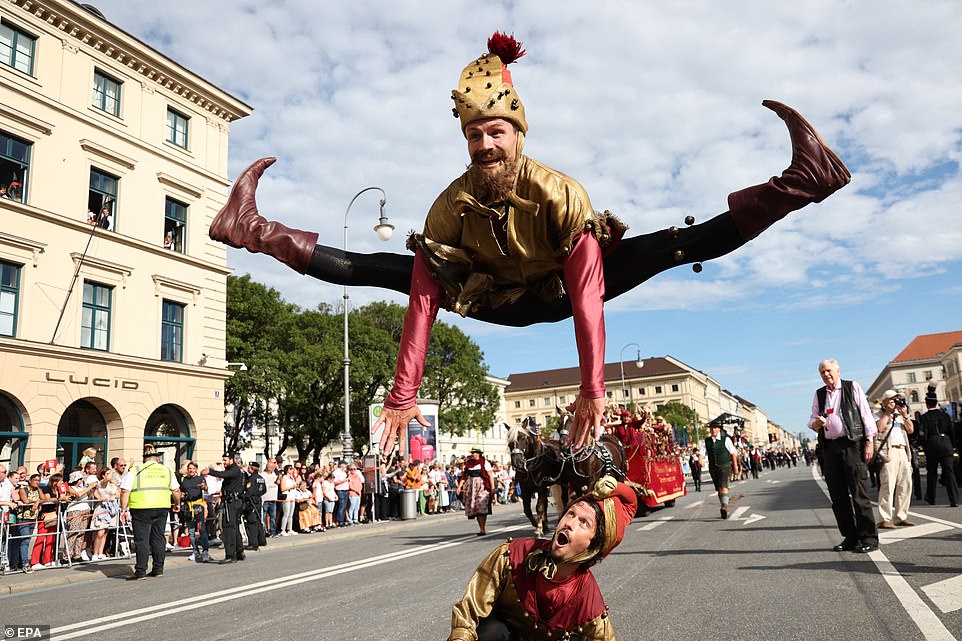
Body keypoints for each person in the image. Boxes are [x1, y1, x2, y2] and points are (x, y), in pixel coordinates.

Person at [208, 33, 851, 456]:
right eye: (473, 138)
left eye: (494, 133)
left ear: (517, 133)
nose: (484, 147)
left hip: (568, 288)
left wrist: (592, 389)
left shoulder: (557, 193)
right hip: (492, 299)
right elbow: (424, 302)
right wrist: (403, 394)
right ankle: (253, 230)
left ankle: (801, 183)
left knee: (673, 245)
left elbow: (588, 296)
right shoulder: (449, 206)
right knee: (382, 268)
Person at [449, 476, 636, 641]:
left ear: (593, 547)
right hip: (505, 636)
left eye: (583, 522)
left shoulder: (587, 598)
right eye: (570, 513)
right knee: (490, 631)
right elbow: (469, 612)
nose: (569, 523)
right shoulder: (511, 555)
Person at [808, 359, 879, 553]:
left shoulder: (851, 387)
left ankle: (869, 538)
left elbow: (865, 415)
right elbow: (812, 421)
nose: (826, 374)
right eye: (822, 372)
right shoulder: (819, 394)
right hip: (830, 448)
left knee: (858, 492)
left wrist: (869, 441)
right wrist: (817, 424)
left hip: (851, 444)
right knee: (838, 496)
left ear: (838, 370)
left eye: (829, 370)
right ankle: (851, 537)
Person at [119, 445, 181, 579]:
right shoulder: (167, 470)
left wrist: (123, 509)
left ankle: (141, 572)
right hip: (161, 508)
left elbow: (125, 491)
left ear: (144, 459)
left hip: (140, 508)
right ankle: (158, 569)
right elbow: (176, 490)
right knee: (158, 538)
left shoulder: (135, 470)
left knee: (142, 540)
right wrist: (177, 503)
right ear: (157, 459)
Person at [874, 390, 916, 528]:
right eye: (892, 399)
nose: (895, 402)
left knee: (905, 484)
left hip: (903, 450)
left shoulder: (899, 416)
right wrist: (887, 413)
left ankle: (901, 516)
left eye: (896, 399)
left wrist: (905, 415)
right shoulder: (878, 415)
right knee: (888, 485)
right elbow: (878, 429)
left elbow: (910, 430)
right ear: (885, 401)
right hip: (888, 452)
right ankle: (884, 518)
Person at [917, 392, 959, 507]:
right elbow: (952, 432)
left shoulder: (924, 417)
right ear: (936, 402)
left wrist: (921, 444)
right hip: (946, 444)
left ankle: (931, 497)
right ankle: (954, 499)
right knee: (950, 473)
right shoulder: (945, 415)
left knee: (932, 473)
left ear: (927, 404)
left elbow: (922, 434)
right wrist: (953, 446)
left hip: (932, 446)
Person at [204, 452, 245, 563]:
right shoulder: (234, 470)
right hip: (232, 501)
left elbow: (224, 475)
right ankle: (239, 551)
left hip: (232, 502)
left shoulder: (234, 469)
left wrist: (210, 471)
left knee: (228, 528)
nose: (224, 462)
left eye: (225, 460)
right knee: (234, 527)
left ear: (231, 460)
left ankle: (231, 555)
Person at [705, 423, 740, 519]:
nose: (713, 430)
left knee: (723, 486)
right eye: (711, 428)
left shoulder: (726, 440)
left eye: (715, 428)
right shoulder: (707, 441)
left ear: (719, 429)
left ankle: (724, 506)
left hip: (724, 466)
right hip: (713, 468)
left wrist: (735, 467)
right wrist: (700, 459)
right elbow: (701, 452)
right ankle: (724, 505)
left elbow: (733, 453)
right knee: (719, 489)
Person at [179, 461, 210, 563]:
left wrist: (203, 487)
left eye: (193, 469)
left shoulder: (200, 479)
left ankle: (205, 552)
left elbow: (206, 489)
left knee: (202, 530)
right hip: (188, 507)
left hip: (199, 506)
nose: (191, 470)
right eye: (189, 469)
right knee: (191, 532)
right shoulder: (184, 480)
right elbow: (181, 491)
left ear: (196, 469)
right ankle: (195, 551)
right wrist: (181, 498)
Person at [460, 449, 495, 535]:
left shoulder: (484, 462)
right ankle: (481, 528)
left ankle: (483, 528)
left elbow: (490, 475)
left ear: (478, 454)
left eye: (474, 453)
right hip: (471, 487)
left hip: (482, 486)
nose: (472, 454)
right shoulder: (469, 463)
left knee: (481, 506)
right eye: (471, 453)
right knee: (475, 508)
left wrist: (493, 488)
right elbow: (464, 476)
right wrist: (459, 487)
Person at [243, 461, 268, 550]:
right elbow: (264, 490)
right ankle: (262, 540)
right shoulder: (261, 478)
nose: (248, 469)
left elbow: (249, 492)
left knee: (251, 522)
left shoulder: (252, 479)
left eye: (249, 467)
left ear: (252, 468)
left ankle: (253, 543)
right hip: (258, 501)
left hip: (251, 502)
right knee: (258, 521)